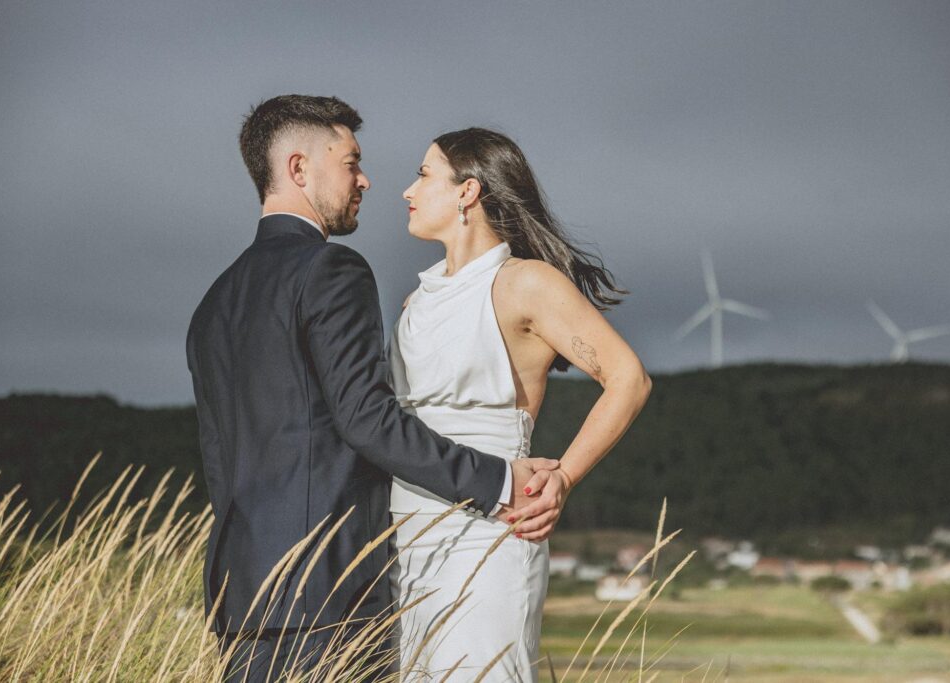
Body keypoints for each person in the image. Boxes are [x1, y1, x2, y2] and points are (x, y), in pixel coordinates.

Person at [185, 96, 560, 682]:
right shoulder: (331, 270)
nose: (365, 179)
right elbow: (368, 421)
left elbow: (219, 455)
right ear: (299, 168)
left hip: (238, 595)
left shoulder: (214, 303)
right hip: (328, 593)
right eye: (350, 161)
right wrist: (500, 479)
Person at [389, 128, 652, 681]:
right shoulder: (417, 299)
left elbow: (628, 378)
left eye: (423, 174)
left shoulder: (525, 283)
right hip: (408, 524)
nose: (408, 190)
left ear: (467, 191)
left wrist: (566, 477)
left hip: (493, 519)